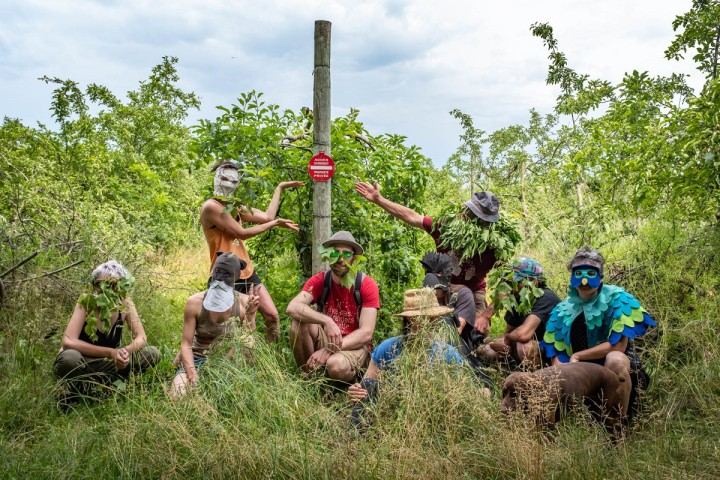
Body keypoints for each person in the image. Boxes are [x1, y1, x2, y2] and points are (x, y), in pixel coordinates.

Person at [355, 182, 500, 337]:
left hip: (474, 290)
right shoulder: (445, 228)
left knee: (477, 339)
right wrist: (379, 199)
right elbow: (412, 216)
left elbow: (508, 282)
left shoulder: (494, 245)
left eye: (482, 220)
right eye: (472, 215)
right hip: (442, 288)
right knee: (428, 333)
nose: (475, 222)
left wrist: (486, 315)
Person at [539, 247, 656, 418]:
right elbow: (556, 356)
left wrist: (578, 356)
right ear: (572, 277)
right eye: (578, 273)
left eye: (591, 273)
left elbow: (618, 346)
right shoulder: (561, 310)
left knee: (615, 359)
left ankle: (617, 427)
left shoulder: (618, 298)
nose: (584, 280)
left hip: (617, 372)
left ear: (601, 278)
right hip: (580, 377)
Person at [201, 160, 303, 343]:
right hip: (225, 273)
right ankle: (231, 364)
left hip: (246, 271)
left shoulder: (235, 207)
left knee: (272, 316)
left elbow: (267, 216)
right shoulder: (211, 207)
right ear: (217, 178)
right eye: (225, 178)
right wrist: (275, 223)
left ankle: (269, 360)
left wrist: (279, 188)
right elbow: (242, 233)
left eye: (233, 180)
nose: (229, 183)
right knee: (229, 328)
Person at [347, 288, 475, 430]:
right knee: (370, 384)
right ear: (409, 319)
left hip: (432, 417)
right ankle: (358, 435)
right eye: (416, 318)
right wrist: (356, 392)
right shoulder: (389, 348)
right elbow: (366, 385)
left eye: (428, 317)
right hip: (392, 412)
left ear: (435, 319)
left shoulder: (448, 354)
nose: (421, 323)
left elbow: (463, 394)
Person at [53, 261, 160, 406]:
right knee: (70, 358)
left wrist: (123, 353)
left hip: (109, 364)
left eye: (111, 285)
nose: (103, 289)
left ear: (121, 286)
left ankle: (107, 386)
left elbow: (141, 337)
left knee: (152, 353)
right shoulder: (86, 301)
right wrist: (110, 352)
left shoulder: (125, 303)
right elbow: (68, 342)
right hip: (83, 363)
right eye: (99, 284)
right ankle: (71, 392)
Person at [286, 231, 379, 382]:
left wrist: (329, 350)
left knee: (335, 365)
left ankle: (345, 385)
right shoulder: (320, 281)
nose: (340, 259)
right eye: (335, 253)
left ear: (354, 259)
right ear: (328, 256)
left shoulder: (366, 285)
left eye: (346, 254)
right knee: (298, 322)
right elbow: (293, 307)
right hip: (327, 338)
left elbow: (366, 333)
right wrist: (327, 321)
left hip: (353, 345)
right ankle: (309, 380)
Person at [170, 252, 260, 399]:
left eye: (227, 274)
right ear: (212, 271)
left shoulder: (244, 303)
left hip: (228, 364)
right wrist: (192, 375)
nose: (221, 278)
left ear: (236, 277)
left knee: (248, 342)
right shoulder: (194, 302)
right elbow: (186, 344)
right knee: (178, 396)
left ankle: (243, 380)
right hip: (197, 360)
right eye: (218, 271)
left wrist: (250, 315)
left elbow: (250, 341)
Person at [479, 257, 561, 368]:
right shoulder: (518, 297)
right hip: (524, 345)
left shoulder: (546, 297)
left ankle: (538, 380)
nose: (513, 285)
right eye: (510, 281)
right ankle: (512, 369)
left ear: (534, 282)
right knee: (485, 350)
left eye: (517, 281)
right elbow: (509, 331)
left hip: (552, 351)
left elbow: (523, 335)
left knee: (525, 347)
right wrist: (497, 343)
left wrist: (507, 339)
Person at [420, 251, 479, 355]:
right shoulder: (424, 297)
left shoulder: (463, 294)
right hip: (428, 346)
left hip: (456, 349)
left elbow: (455, 332)